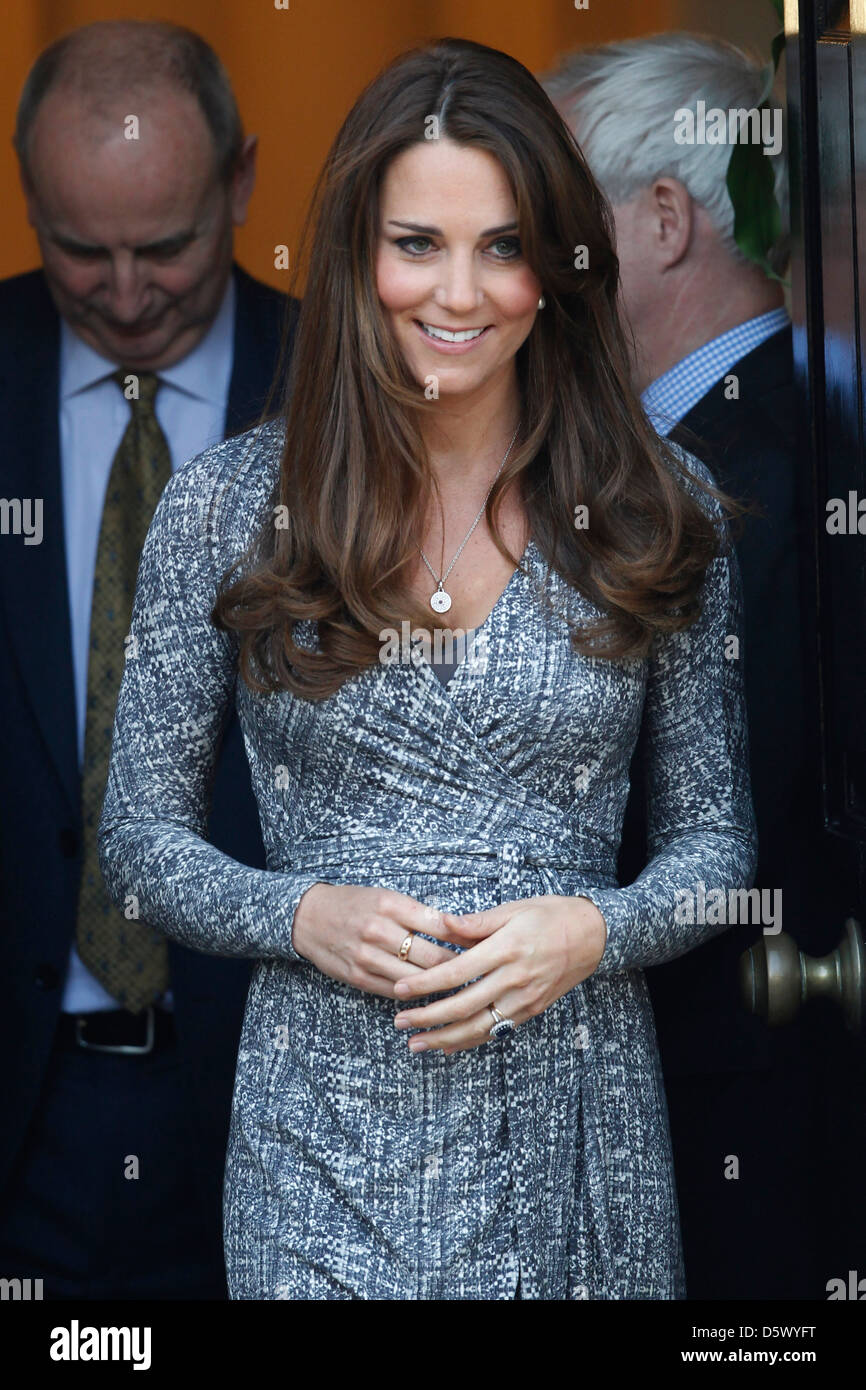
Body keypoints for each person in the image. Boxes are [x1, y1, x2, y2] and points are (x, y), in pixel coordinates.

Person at [97, 35, 756, 1301]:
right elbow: (137, 838)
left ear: (556, 265)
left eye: (502, 246)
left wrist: (593, 929)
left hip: (574, 1124)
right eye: (417, 244)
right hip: (317, 1138)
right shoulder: (229, 510)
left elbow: (716, 846)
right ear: (354, 252)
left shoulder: (653, 509)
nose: (459, 295)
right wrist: (298, 912)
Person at [540, 32, 851, 1298]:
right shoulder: (770, 428)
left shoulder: (744, 481)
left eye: (545, 224)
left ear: (662, 219)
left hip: (742, 1093)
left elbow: (697, 810)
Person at [0, 20, 298, 1299]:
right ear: (26, 200)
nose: (125, 293)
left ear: (239, 181)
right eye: (79, 248)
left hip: (283, 1091)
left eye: (165, 245)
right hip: (26, 1103)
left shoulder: (352, 389)